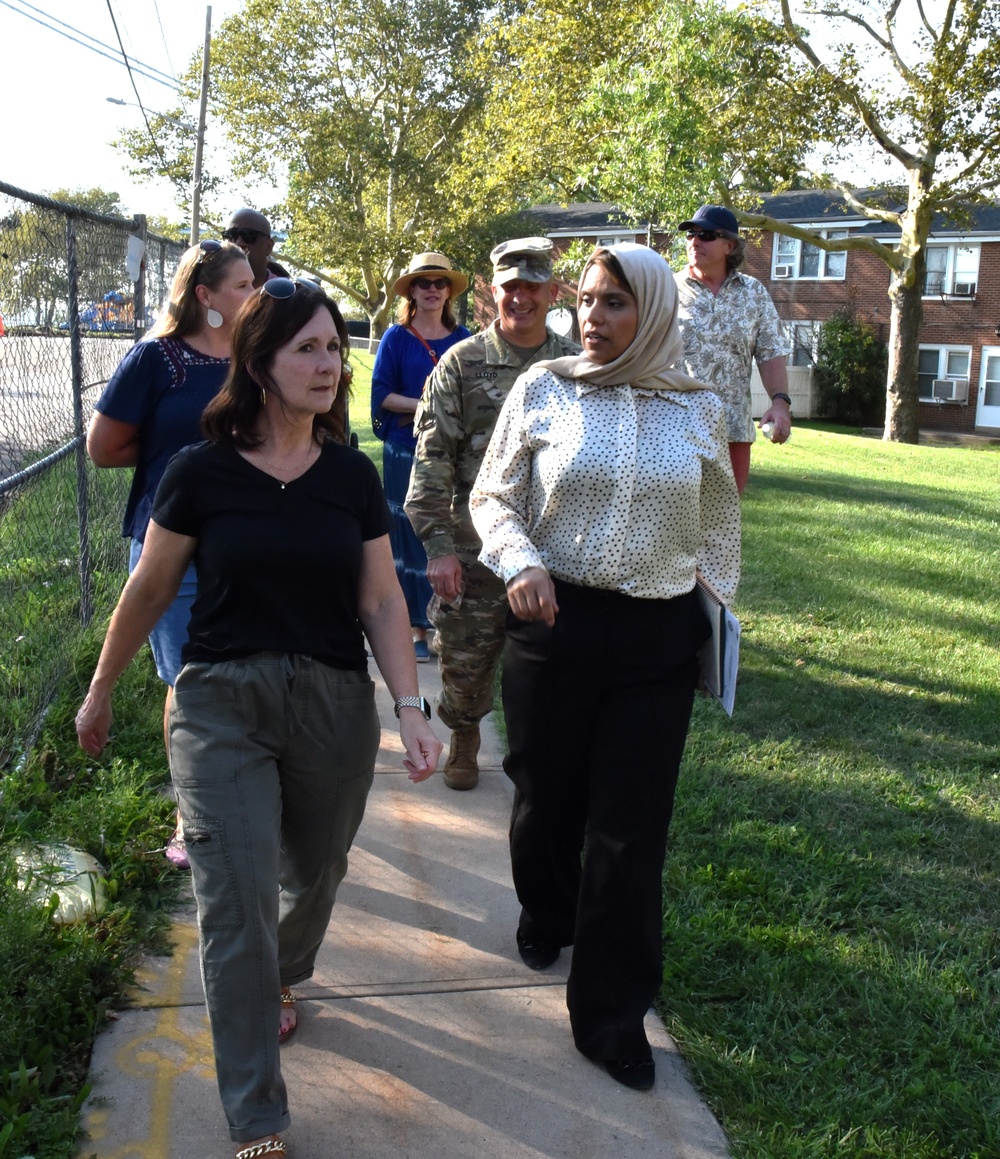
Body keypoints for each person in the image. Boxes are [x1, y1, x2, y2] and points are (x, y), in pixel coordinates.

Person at [76, 278, 442, 1158]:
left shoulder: (350, 476)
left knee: (315, 869)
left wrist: (411, 705)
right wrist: (98, 690)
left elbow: (384, 601)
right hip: (218, 701)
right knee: (232, 899)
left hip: (331, 700)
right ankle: (257, 1116)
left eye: (333, 348)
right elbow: (151, 587)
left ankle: (282, 973)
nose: (329, 364)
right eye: (308, 349)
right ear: (260, 362)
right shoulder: (197, 472)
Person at [470, 243, 741, 1092]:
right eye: (586, 300)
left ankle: (611, 1015)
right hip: (552, 623)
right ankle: (548, 908)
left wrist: (714, 628)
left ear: (653, 310)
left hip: (654, 641)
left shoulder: (698, 407)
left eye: (615, 302)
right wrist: (518, 560)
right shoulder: (542, 388)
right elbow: (492, 495)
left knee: (629, 834)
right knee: (544, 799)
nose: (593, 316)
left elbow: (721, 525)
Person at [87, 238, 255, 867]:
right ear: (206, 296)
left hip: (244, 539)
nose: (253, 294)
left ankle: (244, 794)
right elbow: (104, 448)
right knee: (188, 681)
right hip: (170, 540)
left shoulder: (256, 357)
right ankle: (194, 816)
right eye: (241, 286)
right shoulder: (157, 360)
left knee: (242, 669)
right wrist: (179, 459)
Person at [405, 237, 580, 790]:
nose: (521, 298)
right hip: (474, 543)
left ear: (552, 292)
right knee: (465, 661)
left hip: (555, 548)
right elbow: (432, 460)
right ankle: (463, 735)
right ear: (492, 291)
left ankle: (539, 755)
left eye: (532, 287)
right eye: (510, 288)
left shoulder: (574, 367)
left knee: (551, 668)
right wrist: (438, 549)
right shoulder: (462, 364)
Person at [371, 253, 470, 663]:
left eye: (440, 283)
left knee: (449, 533)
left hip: (451, 453)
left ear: (448, 291)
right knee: (408, 534)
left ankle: (444, 620)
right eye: (423, 282)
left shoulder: (463, 338)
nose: (432, 289)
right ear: (411, 290)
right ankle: (413, 625)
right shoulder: (396, 338)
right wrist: (427, 404)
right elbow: (381, 397)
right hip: (404, 450)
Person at [674, 204, 792, 494]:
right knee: (670, 526)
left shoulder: (753, 293)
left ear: (730, 245)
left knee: (722, 531)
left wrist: (780, 403)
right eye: (691, 234)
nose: (695, 240)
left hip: (733, 432)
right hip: (675, 429)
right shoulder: (665, 287)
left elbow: (770, 353)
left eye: (706, 234)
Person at [222, 208, 289, 288]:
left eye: (249, 235)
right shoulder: (211, 293)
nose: (239, 243)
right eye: (231, 235)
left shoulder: (289, 296)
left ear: (268, 246)